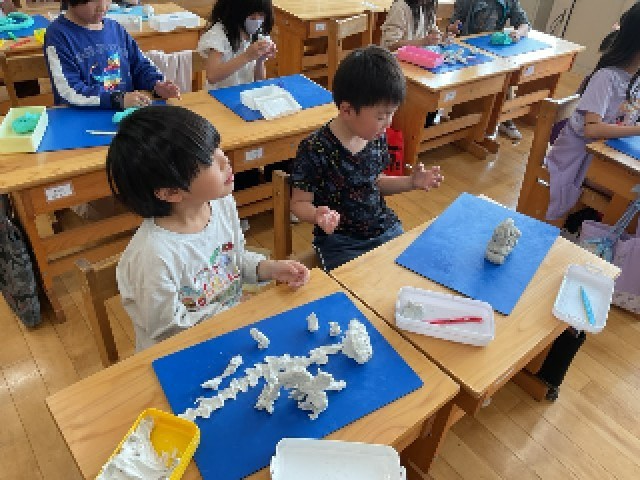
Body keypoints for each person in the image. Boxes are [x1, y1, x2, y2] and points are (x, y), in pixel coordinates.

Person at [106, 106, 310, 351]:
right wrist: (231, 314)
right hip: (183, 351)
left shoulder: (220, 203)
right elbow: (166, 329)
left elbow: (233, 260)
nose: (225, 159)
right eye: (208, 160)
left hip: (230, 331)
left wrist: (268, 268)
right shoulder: (153, 256)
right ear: (171, 192)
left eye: (217, 148)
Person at [290, 45, 444, 271]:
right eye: (381, 117)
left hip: (383, 228)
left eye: (392, 114)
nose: (388, 123)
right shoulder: (315, 148)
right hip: (340, 241)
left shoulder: (375, 136)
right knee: (356, 286)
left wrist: (411, 182)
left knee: (408, 271)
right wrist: (316, 215)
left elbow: (376, 182)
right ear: (347, 110)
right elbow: (298, 203)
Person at [544, 2, 640, 222]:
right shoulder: (607, 78)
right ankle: (601, 235)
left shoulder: (635, 78)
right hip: (577, 162)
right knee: (632, 194)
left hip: (606, 156)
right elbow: (592, 129)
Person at [44, 0, 180, 109]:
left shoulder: (115, 28)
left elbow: (140, 65)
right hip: (83, 118)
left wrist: (156, 85)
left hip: (124, 113)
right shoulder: (58, 35)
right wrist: (118, 99)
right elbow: (69, 91)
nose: (103, 7)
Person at [448, 0, 530, 140]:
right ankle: (471, 121)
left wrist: (518, 33)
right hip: (468, 47)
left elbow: (524, 23)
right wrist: (454, 28)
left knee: (506, 73)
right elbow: (453, 26)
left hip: (493, 47)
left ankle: (501, 117)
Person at [196, 0, 276, 90]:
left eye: (261, 15)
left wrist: (260, 60)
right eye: (252, 15)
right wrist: (246, 56)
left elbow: (259, 81)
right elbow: (212, 76)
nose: (257, 19)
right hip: (219, 94)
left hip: (244, 93)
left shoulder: (258, 33)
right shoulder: (219, 34)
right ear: (236, 11)